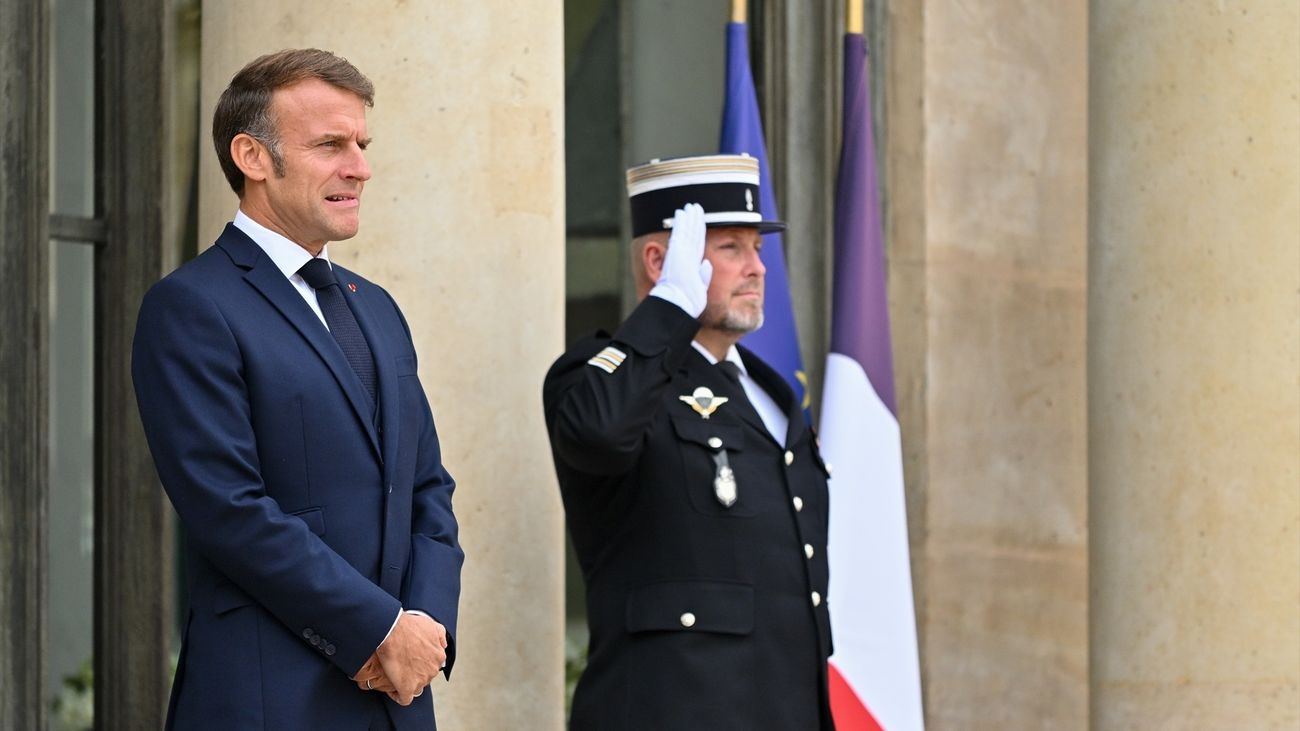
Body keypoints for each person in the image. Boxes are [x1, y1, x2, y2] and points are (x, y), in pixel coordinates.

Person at [132, 48, 462, 731]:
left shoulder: (376, 307)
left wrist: (424, 625)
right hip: (268, 698)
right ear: (252, 157)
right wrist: (377, 629)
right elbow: (231, 510)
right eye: (330, 145)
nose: (360, 167)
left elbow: (428, 488)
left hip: (399, 698)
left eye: (362, 145)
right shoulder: (192, 305)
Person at [543, 154, 834, 730]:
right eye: (731, 249)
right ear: (661, 261)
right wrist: (668, 310)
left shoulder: (769, 392)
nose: (757, 267)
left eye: (757, 248)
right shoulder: (598, 378)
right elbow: (598, 434)